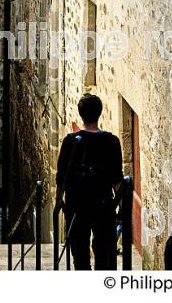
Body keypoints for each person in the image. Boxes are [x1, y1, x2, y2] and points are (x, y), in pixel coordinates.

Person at [55, 93, 123, 270]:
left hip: (76, 206)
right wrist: (123, 207)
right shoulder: (112, 141)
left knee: (80, 256)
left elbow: (61, 177)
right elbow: (117, 180)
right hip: (103, 206)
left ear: (81, 114)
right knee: (104, 254)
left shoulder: (70, 141)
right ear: (99, 113)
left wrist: (58, 201)